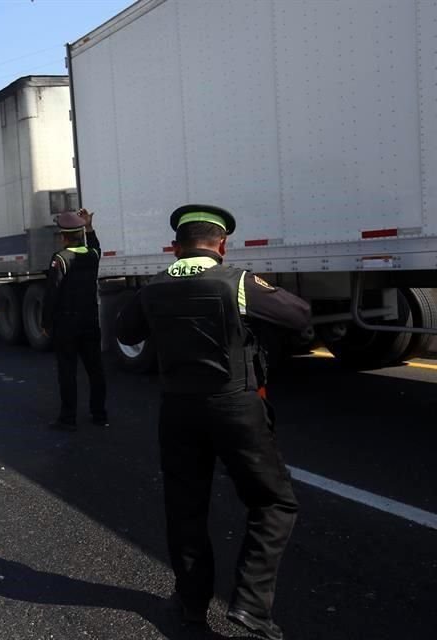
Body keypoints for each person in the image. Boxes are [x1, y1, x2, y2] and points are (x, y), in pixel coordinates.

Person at [115, 204, 310, 640]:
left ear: (174, 248)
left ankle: (190, 605)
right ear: (222, 244)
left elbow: (126, 334)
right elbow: (298, 317)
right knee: (274, 502)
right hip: (235, 407)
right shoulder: (238, 281)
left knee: (186, 509)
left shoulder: (153, 287)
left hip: (178, 410)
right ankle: (251, 607)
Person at [40, 208, 108, 431]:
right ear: (80, 233)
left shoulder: (60, 258)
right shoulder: (92, 255)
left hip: (66, 325)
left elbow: (52, 293)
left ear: (63, 236)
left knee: (67, 371)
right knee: (95, 370)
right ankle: (99, 414)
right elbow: (97, 246)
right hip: (90, 322)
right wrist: (90, 226)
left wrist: (45, 323)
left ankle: (68, 418)